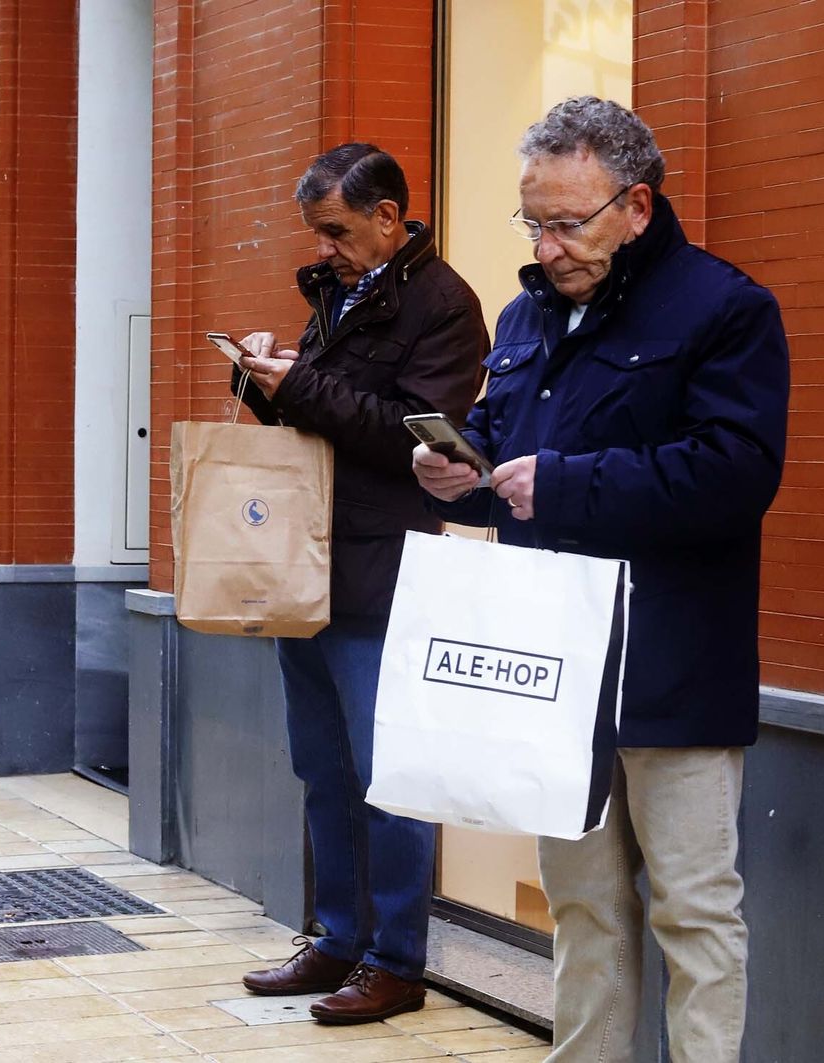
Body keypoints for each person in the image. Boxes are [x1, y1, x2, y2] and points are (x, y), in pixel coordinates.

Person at [413, 97, 790, 1062]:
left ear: (638, 206)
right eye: (533, 221)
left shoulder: (725, 309)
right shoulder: (525, 312)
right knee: (581, 906)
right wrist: (460, 473)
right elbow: (505, 454)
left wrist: (567, 485)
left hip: (674, 664)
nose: (548, 245)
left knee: (695, 912)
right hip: (552, 666)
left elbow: (736, 473)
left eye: (569, 222)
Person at [233, 143, 489, 1024]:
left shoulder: (444, 305)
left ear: (388, 218)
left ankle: (396, 961)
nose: (326, 246)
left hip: (381, 568)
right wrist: (263, 378)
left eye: (337, 230)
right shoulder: (338, 291)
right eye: (318, 232)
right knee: (322, 768)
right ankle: (337, 939)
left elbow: (416, 442)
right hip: (306, 564)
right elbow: (321, 420)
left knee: (389, 776)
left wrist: (300, 383)